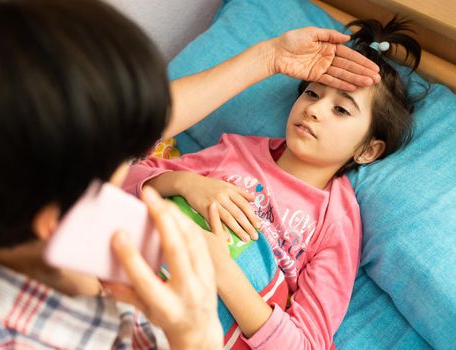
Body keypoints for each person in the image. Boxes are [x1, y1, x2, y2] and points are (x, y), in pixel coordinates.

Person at [0, 0, 380, 349]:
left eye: (341, 108)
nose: (317, 111)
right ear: (65, 214)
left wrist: (269, 56)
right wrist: (194, 336)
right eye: (113, 166)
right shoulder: (58, 329)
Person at [123, 17, 421, 349]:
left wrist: (223, 271)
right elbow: (122, 180)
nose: (315, 110)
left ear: (368, 150)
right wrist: (182, 183)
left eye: (340, 110)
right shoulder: (238, 152)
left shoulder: (336, 221)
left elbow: (307, 343)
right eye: (312, 93)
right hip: (135, 286)